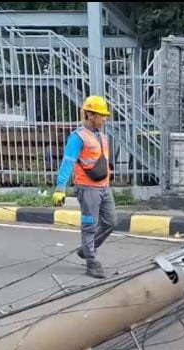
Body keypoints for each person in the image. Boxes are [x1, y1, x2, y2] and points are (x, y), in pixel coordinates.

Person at [52, 96, 116, 279]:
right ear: (90, 114)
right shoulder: (78, 137)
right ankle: (91, 262)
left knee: (110, 222)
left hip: (104, 187)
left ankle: (87, 249)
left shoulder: (103, 137)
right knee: (89, 226)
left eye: (105, 115)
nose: (105, 119)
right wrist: (60, 188)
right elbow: (68, 162)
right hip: (87, 188)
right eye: (101, 115)